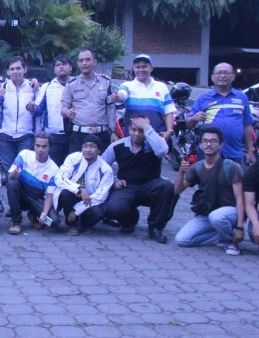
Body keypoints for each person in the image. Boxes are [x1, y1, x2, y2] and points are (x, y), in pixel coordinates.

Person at [101, 116, 175, 243]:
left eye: (141, 131)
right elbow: (100, 167)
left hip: (150, 185)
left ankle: (155, 227)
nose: (136, 134)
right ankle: (129, 220)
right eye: (134, 130)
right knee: (113, 207)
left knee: (168, 187)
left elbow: (163, 151)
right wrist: (114, 180)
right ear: (129, 129)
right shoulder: (117, 146)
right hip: (126, 187)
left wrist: (147, 127)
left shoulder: (154, 143)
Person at [174, 126, 245, 255]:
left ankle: (230, 241)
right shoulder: (197, 167)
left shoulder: (232, 167)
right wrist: (181, 172)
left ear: (221, 145)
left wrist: (240, 227)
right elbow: (178, 190)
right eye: (205, 141)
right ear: (200, 145)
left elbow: (240, 199)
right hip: (207, 214)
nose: (208, 144)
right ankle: (219, 235)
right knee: (182, 240)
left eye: (213, 141)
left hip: (230, 213)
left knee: (217, 217)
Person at [187, 62, 255, 167]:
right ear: (212, 77)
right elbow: (188, 124)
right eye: (219, 73)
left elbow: (247, 125)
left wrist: (250, 150)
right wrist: (194, 118)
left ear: (233, 77)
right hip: (209, 153)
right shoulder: (203, 98)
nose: (222, 76)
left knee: (235, 177)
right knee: (208, 178)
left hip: (234, 152)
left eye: (226, 73)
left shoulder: (242, 97)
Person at [52, 134, 115, 235]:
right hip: (74, 194)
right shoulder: (73, 158)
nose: (88, 150)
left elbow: (100, 195)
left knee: (98, 212)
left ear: (99, 150)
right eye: (85, 146)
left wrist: (76, 210)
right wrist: (79, 189)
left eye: (92, 146)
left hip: (91, 200)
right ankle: (72, 224)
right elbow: (60, 178)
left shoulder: (106, 169)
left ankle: (85, 224)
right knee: (64, 193)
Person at [60, 49, 117, 151]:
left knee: (102, 161)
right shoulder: (71, 84)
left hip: (101, 135)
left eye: (87, 60)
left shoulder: (105, 82)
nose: (84, 63)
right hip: (78, 135)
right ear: (78, 64)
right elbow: (63, 108)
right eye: (81, 60)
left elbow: (110, 107)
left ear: (94, 62)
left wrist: (113, 131)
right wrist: (68, 113)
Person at [0, 56, 38, 172]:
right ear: (7, 71)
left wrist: (33, 108)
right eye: (12, 69)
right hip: (6, 135)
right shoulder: (2, 87)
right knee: (9, 170)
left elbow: (40, 109)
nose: (15, 71)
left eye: (18, 68)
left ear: (25, 69)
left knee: (23, 169)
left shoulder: (32, 87)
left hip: (26, 135)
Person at [6, 133, 58, 235]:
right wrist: (13, 175)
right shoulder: (24, 154)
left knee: (54, 222)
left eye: (44, 146)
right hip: (21, 194)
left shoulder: (54, 169)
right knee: (12, 183)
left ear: (50, 148)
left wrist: (44, 214)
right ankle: (16, 221)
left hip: (37, 199)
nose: (40, 149)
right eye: (37, 145)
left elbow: (49, 195)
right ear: (34, 146)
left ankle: (34, 214)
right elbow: (10, 177)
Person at [114, 54, 175, 138]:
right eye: (138, 67)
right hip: (133, 138)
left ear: (151, 68)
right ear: (133, 69)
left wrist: (169, 131)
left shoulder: (162, 87)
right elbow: (122, 95)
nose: (141, 70)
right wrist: (117, 96)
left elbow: (169, 111)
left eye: (144, 66)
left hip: (157, 137)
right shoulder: (127, 85)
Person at [35, 55, 73, 165]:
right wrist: (31, 107)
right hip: (53, 135)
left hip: (74, 135)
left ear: (71, 67)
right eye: (58, 65)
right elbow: (39, 109)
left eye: (64, 64)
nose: (61, 67)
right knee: (54, 167)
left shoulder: (78, 84)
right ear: (54, 70)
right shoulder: (47, 87)